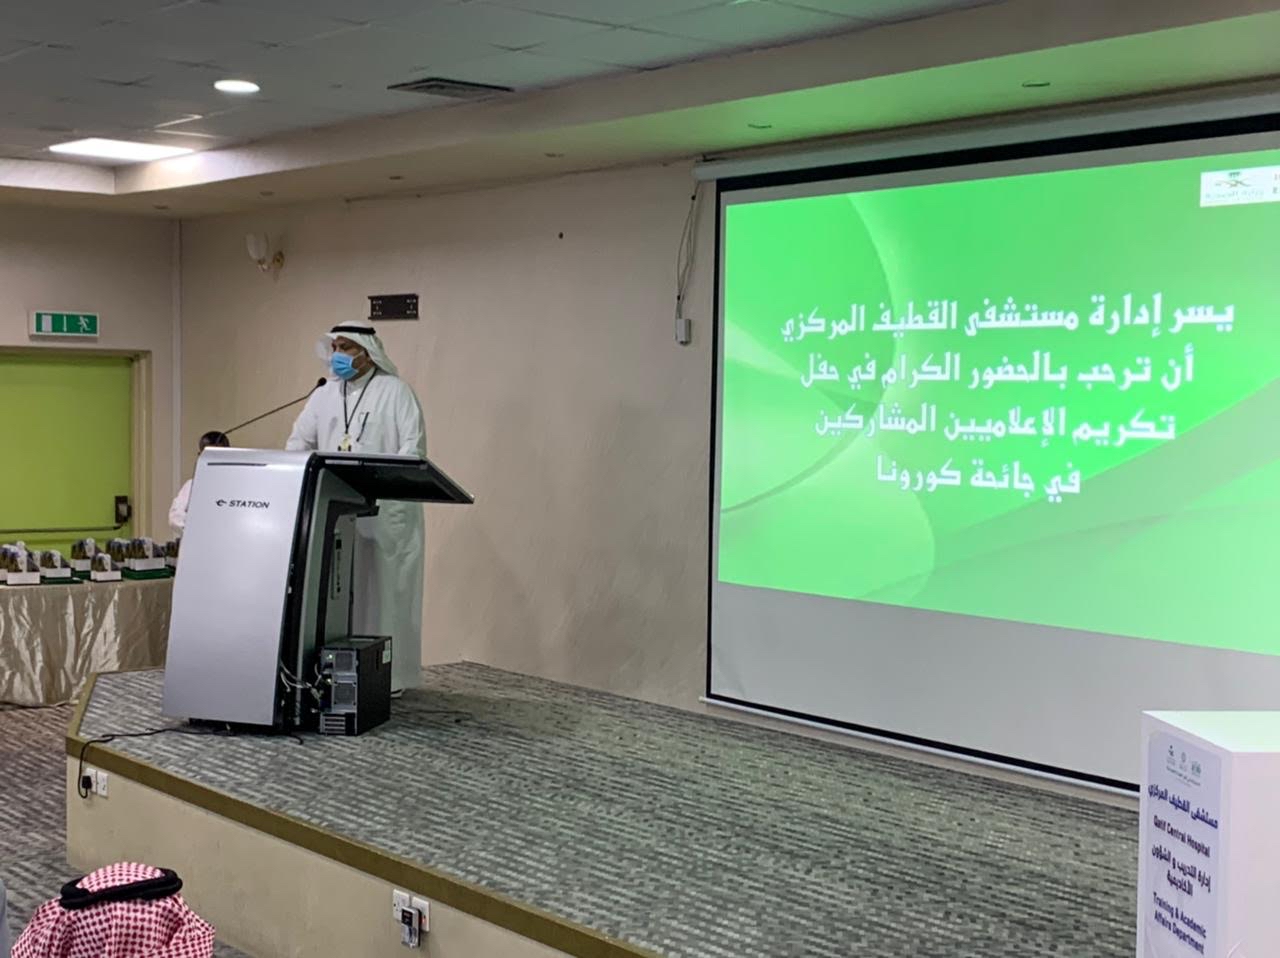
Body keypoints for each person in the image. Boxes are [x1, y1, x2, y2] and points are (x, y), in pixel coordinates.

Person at [286, 319, 427, 694]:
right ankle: (334, 676)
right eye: (334, 348)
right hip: (335, 512)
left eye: (346, 348)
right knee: (335, 594)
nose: (338, 355)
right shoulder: (324, 395)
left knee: (383, 596)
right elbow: (298, 442)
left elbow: (412, 449)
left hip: (386, 516)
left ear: (368, 353)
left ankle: (388, 679)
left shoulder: (396, 392)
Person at [168, 430, 230, 537]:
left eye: (220, 454)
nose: (215, 460)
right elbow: (175, 517)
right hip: (200, 542)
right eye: (209, 455)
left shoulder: (241, 485)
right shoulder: (192, 485)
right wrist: (200, 530)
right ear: (200, 456)